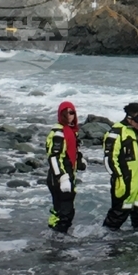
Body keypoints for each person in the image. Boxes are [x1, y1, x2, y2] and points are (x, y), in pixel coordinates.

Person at [102, 102, 138, 231]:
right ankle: (107, 244)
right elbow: (109, 160)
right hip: (125, 184)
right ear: (129, 117)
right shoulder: (116, 133)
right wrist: (118, 179)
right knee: (116, 218)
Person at [45, 100, 85, 234]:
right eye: (67, 113)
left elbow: (73, 150)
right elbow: (54, 157)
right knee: (65, 212)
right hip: (59, 178)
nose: (70, 116)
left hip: (68, 175)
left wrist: (79, 161)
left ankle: (54, 237)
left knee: (60, 209)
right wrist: (62, 178)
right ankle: (58, 237)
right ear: (61, 114)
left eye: (72, 112)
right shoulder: (59, 133)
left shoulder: (71, 131)